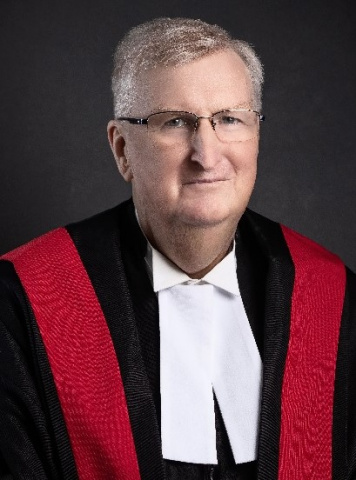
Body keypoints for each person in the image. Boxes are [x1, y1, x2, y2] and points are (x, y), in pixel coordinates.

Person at [0, 17, 355, 480]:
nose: (206, 154)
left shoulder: (333, 296)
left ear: (257, 135)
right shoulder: (21, 301)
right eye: (175, 122)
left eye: (229, 118)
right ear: (122, 148)